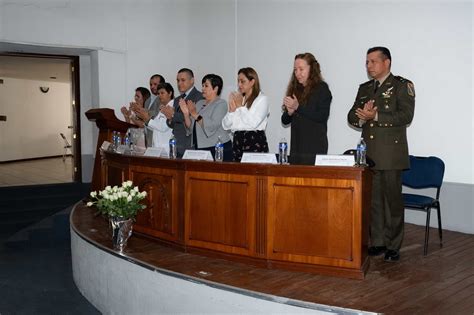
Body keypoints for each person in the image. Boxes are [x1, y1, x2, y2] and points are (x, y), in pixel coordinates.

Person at [347, 46, 415, 262]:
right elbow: (352, 116)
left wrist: (376, 117)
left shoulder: (402, 86)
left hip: (392, 154)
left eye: (373, 61)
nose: (369, 66)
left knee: (392, 202)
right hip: (370, 154)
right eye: (367, 62)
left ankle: (393, 245)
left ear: (387, 63)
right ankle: (378, 242)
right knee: (374, 201)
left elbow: (406, 115)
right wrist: (362, 118)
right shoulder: (365, 88)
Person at [281, 52, 332, 165]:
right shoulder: (295, 89)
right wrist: (289, 113)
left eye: (301, 69)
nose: (297, 73)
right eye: (295, 70)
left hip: (314, 147)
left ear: (312, 69)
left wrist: (298, 107)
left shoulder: (322, 89)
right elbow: (284, 121)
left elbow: (322, 116)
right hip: (296, 147)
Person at [180, 74, 232, 161]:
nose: (203, 88)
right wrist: (186, 113)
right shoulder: (200, 103)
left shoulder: (221, 104)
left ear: (215, 88)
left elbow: (212, 125)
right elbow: (191, 127)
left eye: (206, 86)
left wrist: (194, 113)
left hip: (217, 147)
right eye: (202, 85)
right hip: (200, 146)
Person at [222, 67, 269, 162]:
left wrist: (240, 107)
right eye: (238, 81)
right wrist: (231, 111)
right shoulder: (240, 99)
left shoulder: (262, 99)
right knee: (237, 175)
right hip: (237, 141)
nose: (239, 84)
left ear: (252, 82)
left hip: (254, 141)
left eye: (242, 81)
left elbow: (253, 123)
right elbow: (225, 125)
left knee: (254, 175)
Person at [166, 68, 203, 157]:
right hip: (176, 144)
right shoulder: (177, 99)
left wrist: (173, 114)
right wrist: (169, 118)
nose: (179, 83)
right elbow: (172, 124)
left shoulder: (199, 97)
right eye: (178, 80)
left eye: (183, 80)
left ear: (192, 80)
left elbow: (192, 118)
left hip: (190, 144)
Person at [134, 83, 174, 155]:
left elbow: (163, 127)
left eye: (162, 93)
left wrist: (147, 119)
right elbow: (153, 127)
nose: (160, 96)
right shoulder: (163, 108)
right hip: (157, 148)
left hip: (166, 149)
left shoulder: (171, 107)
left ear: (170, 93)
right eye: (158, 93)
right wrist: (144, 118)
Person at [143, 74, 166, 147]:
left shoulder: (166, 99)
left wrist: (144, 113)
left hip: (160, 140)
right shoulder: (147, 100)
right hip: (148, 138)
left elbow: (158, 118)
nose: (152, 86)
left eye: (155, 84)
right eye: (151, 84)